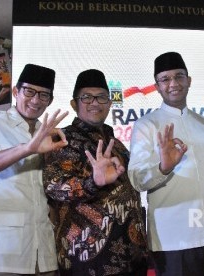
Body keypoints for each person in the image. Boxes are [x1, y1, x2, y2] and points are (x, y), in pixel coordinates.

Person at [128, 52, 204, 276]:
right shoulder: (146, 125)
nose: (173, 84)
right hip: (174, 238)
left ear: (189, 80)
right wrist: (163, 167)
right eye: (165, 79)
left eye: (179, 76)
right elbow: (136, 180)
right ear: (157, 86)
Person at [0, 64, 68, 275]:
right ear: (16, 91)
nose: (36, 100)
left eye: (44, 95)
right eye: (29, 91)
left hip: (41, 247)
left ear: (50, 101)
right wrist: (27, 149)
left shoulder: (49, 133)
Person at [43, 69, 147, 275]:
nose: (95, 103)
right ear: (74, 104)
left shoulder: (116, 144)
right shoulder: (64, 140)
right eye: (87, 97)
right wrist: (93, 182)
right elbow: (53, 186)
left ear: (110, 103)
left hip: (130, 255)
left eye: (101, 97)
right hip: (87, 259)